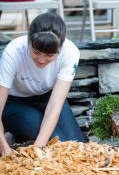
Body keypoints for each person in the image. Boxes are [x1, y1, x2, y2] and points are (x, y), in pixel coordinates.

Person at [0, 12, 88, 157]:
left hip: (48, 98)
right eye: (36, 52)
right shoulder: (13, 51)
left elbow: (54, 106)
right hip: (14, 102)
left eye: (49, 55)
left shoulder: (70, 52)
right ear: (28, 40)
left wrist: (38, 148)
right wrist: (3, 148)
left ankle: (20, 137)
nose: (41, 60)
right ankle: (14, 134)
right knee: (57, 141)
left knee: (74, 146)